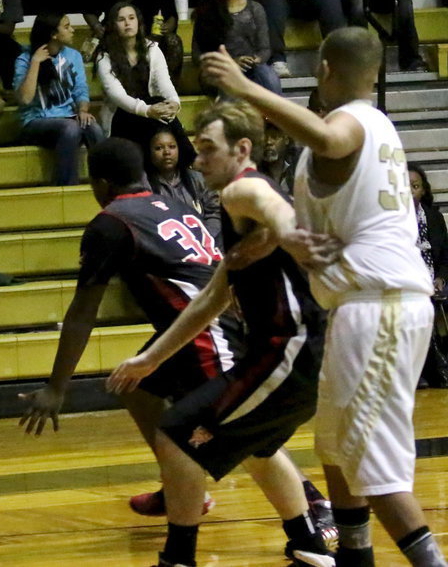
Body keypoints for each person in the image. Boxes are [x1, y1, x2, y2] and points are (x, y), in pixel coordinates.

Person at [200, 29, 447, 567]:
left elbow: (331, 139)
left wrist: (246, 87)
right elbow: (305, 220)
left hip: (378, 306)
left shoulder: (354, 122)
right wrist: (265, 243)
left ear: (327, 68)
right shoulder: (348, 140)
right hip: (358, 308)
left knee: (375, 470)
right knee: (335, 451)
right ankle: (357, 559)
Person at [107, 101, 335, 567]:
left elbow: (271, 206)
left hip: (290, 352)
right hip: (284, 353)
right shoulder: (237, 214)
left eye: (208, 148)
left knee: (176, 434)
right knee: (258, 445)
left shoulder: (241, 189)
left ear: (242, 149)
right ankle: (309, 544)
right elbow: (210, 300)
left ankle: (179, 558)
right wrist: (150, 360)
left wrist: (290, 230)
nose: (197, 158)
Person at [19, 137, 238, 527]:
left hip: (210, 327)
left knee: (239, 431)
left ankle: (311, 506)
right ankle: (180, 489)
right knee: (131, 384)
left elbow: (82, 312)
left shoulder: (112, 223)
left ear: (100, 183)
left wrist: (56, 387)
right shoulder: (171, 203)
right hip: (207, 318)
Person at [94, 2, 192, 166]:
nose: (127, 23)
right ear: (113, 25)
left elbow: (165, 83)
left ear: (138, 22)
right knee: (157, 109)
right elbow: (117, 96)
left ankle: (185, 168)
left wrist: (174, 103)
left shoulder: (152, 49)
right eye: (121, 19)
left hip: (151, 115)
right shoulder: (104, 56)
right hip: (121, 117)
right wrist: (148, 110)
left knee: (161, 109)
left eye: (131, 18)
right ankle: (192, 160)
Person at [13, 13, 104, 186]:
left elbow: (81, 90)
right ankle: (66, 187)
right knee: (70, 128)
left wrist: (83, 110)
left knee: (93, 128)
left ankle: (107, 183)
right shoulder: (24, 59)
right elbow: (25, 99)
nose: (73, 29)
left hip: (67, 117)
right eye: (67, 26)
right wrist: (35, 62)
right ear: (54, 34)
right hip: (35, 122)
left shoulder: (73, 56)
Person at [192, 0, 282, 96]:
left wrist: (254, 60)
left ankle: (278, 115)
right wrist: (231, 63)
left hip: (251, 68)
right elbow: (198, 55)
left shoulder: (255, 8)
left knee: (267, 73)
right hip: (219, 70)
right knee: (229, 78)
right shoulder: (206, 12)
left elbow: (265, 49)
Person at [146, 126, 221, 246]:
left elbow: (214, 212)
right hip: (166, 248)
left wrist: (205, 238)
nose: (167, 152)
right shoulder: (144, 185)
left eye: (172, 147)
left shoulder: (198, 179)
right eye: (159, 148)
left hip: (204, 244)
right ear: (149, 152)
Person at [409, 163, 448, 389]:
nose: (410, 190)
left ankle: (435, 367)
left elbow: (445, 256)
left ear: (423, 190)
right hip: (408, 283)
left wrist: (441, 278)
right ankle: (425, 371)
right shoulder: (391, 220)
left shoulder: (434, 217)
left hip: (436, 280)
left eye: (415, 186)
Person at [259, 120, 300, 196]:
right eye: (264, 137)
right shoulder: (255, 172)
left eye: (274, 137)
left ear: (286, 140)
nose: (268, 142)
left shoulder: (297, 167)